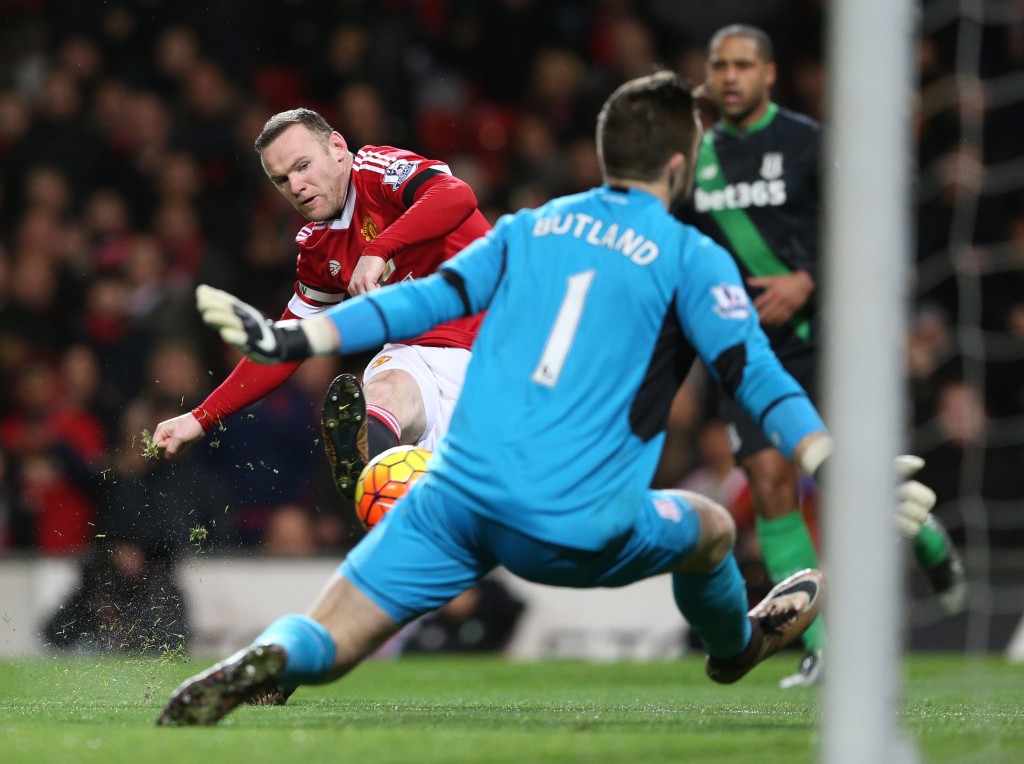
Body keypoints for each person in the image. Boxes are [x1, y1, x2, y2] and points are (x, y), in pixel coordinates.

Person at [158, 72, 934, 726]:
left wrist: (296, 341)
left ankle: (290, 637)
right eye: (281, 178)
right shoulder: (692, 254)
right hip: (569, 508)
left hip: (464, 493)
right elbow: (756, 377)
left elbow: (419, 298)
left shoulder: (531, 227)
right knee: (713, 529)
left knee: (337, 628)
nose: (295, 186)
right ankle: (736, 649)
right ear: (681, 164)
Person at [678, 24, 966, 688]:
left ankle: (926, 537)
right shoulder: (696, 161)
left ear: (769, 74)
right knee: (772, 487)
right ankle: (822, 649)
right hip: (745, 353)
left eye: (743, 64)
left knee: (855, 480)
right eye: (719, 65)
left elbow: (864, 229)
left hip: (826, 340)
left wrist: (807, 279)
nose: (729, 76)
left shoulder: (809, 142)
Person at [151, 107, 490, 502]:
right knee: (383, 391)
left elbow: (455, 194)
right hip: (421, 356)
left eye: (303, 166)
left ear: (337, 147)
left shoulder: (375, 171)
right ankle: (372, 478)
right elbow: (282, 345)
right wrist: (200, 418)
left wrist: (379, 249)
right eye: (281, 180)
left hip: (503, 344)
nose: (295, 186)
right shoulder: (318, 249)